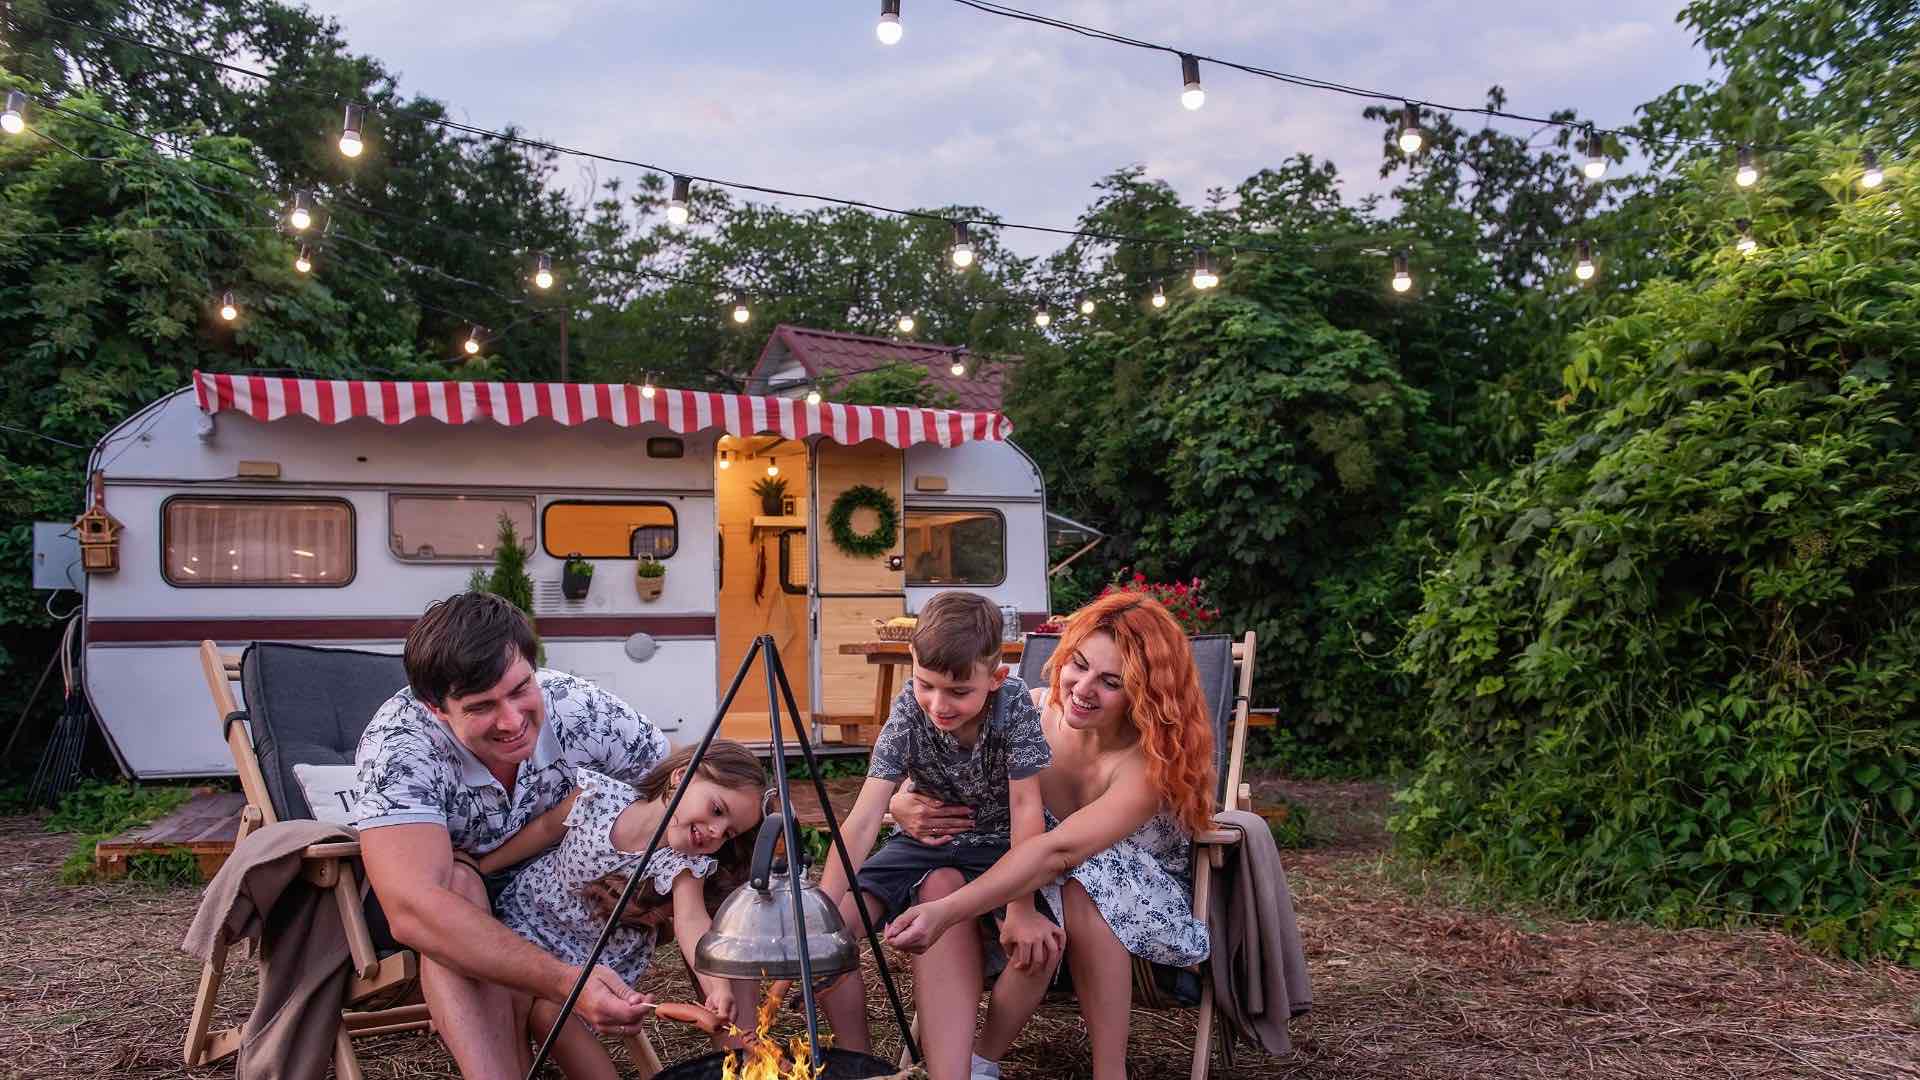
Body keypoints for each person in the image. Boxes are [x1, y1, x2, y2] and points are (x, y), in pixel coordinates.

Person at [884, 591, 1218, 1080]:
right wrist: (901, 802)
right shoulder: (1029, 713)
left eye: (1111, 682)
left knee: (1085, 875)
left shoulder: (1148, 766)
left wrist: (948, 912)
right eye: (1078, 665)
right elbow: (944, 770)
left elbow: (1060, 851)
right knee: (943, 875)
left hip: (1132, 902)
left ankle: (1109, 1072)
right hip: (1025, 878)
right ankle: (961, 1068)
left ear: (1144, 694)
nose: (1083, 688)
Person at [349, 592, 668, 1080]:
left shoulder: (579, 708)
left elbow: (676, 789)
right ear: (436, 708)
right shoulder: (400, 747)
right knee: (458, 888)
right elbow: (415, 910)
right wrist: (567, 982)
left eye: (521, 689)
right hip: (463, 893)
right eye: (482, 707)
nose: (513, 721)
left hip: (560, 889)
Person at [816, 592, 1061, 1080]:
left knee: (1039, 945)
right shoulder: (909, 710)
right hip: (923, 843)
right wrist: (817, 911)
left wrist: (1020, 907)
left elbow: (1025, 807)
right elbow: (864, 819)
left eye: (958, 691)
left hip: (998, 844)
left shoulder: (1013, 706)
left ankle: (982, 1060)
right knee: (829, 933)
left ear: (995, 679)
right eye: (926, 684)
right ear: (912, 662)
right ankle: (860, 1062)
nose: (938, 704)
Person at [480, 741, 768, 1078]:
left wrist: (717, 986)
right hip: (530, 919)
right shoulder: (598, 796)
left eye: (728, 833)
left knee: (550, 1016)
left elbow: (691, 922)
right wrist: (484, 866)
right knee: (508, 994)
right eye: (717, 810)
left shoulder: (681, 864)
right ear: (681, 776)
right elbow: (545, 830)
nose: (716, 832)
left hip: (592, 959)